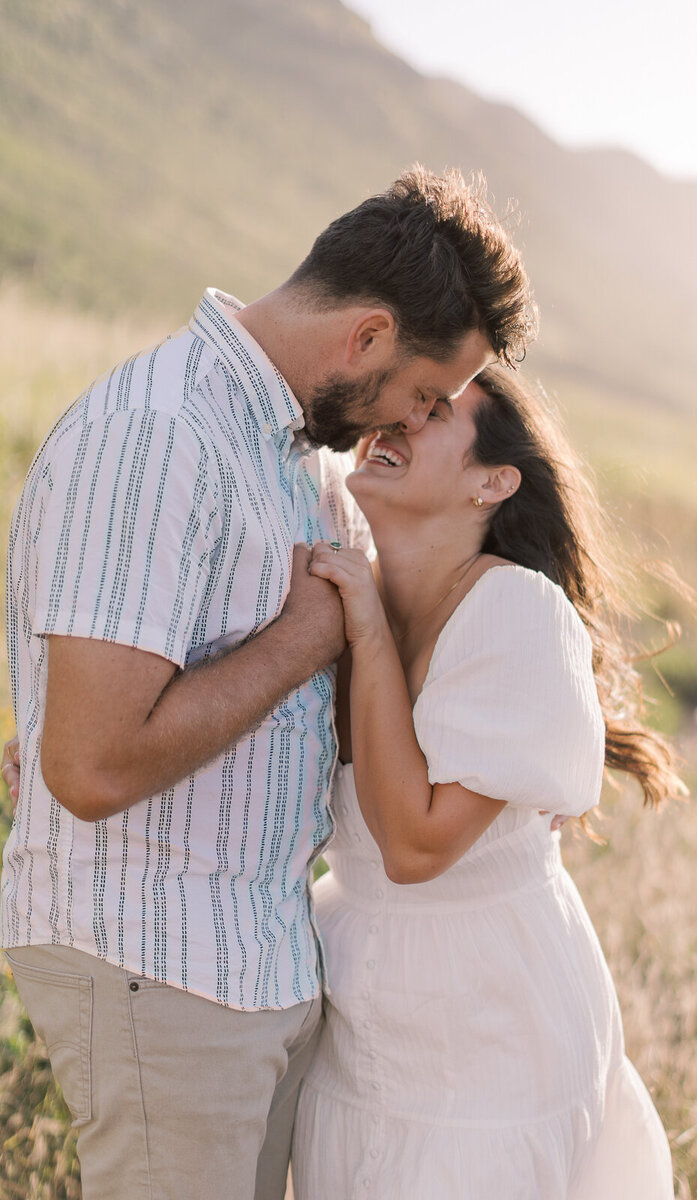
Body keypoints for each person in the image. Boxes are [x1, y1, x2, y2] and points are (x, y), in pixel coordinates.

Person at [0, 166, 532, 1200]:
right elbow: (90, 766)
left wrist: (500, 774)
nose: (409, 424)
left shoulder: (305, 462)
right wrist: (305, 637)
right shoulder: (158, 437)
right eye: (422, 395)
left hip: (258, 963)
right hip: (153, 959)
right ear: (366, 337)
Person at [290, 365, 682, 1199]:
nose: (396, 419)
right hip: (359, 1006)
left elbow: (417, 843)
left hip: (491, 1013)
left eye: (433, 412)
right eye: (401, 402)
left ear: (492, 482)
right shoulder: (346, 579)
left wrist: (363, 626)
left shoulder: (515, 612)